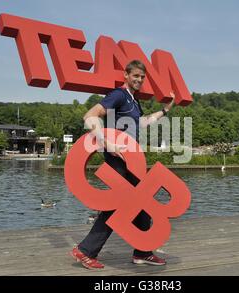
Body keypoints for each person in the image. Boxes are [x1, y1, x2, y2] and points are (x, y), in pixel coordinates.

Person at [70, 60, 175, 269]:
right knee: (116, 204)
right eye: (135, 75)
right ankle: (85, 251)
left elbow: (142, 123)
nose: (139, 80)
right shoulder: (118, 95)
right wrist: (107, 142)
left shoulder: (133, 101)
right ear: (125, 75)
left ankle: (143, 252)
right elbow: (90, 116)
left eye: (142, 77)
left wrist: (164, 110)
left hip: (131, 159)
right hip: (118, 159)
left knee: (143, 201)